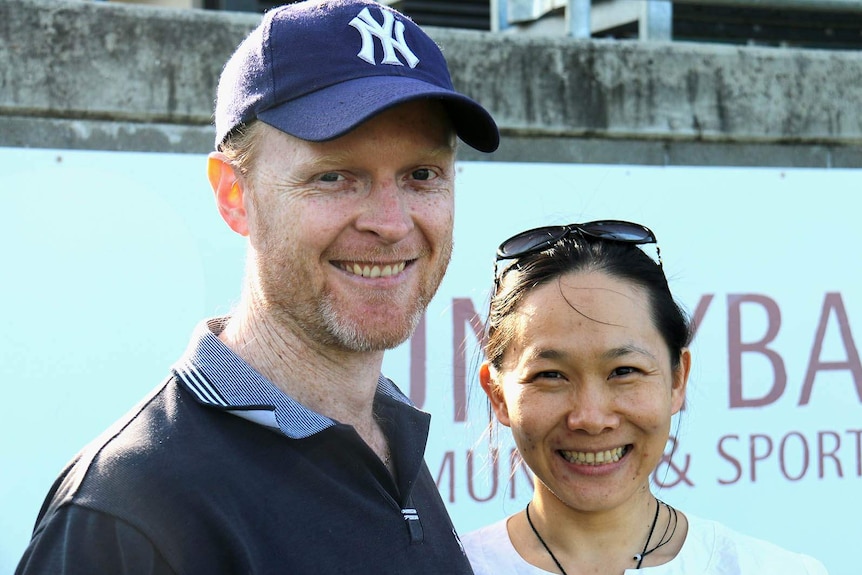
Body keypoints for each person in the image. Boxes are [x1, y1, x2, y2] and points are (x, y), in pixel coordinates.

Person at [16, 1, 498, 573]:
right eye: (335, 176)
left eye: (423, 175)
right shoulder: (126, 511)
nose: (391, 223)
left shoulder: (391, 444)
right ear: (233, 195)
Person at [462, 221, 828, 575]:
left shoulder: (772, 569)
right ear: (498, 395)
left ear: (677, 379)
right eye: (551, 376)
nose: (591, 418)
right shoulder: (447, 567)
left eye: (624, 371)